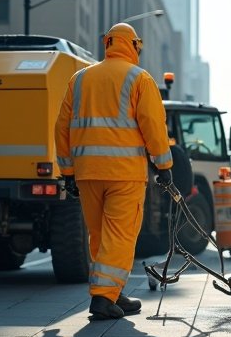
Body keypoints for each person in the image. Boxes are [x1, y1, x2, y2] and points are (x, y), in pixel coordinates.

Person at [55, 22, 174, 320]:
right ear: (133, 46)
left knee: (100, 236)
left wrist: (67, 171)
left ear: (107, 43)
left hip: (87, 173)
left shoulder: (80, 79)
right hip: (124, 173)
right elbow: (153, 126)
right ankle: (103, 298)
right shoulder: (139, 79)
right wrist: (164, 166)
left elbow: (61, 128)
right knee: (119, 236)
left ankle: (113, 291)